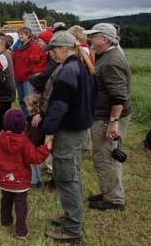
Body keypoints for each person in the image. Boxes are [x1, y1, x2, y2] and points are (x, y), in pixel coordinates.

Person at [41, 32, 96, 244]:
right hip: (78, 129)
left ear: (65, 48)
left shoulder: (67, 71)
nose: (52, 53)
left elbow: (59, 106)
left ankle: (73, 228)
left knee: (66, 177)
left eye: (54, 49)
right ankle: (73, 216)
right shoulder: (82, 66)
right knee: (74, 173)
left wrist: (49, 129)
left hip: (68, 130)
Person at [84, 23, 132, 211]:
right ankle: (109, 192)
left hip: (108, 118)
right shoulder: (107, 56)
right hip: (105, 115)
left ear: (104, 39)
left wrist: (113, 122)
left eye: (94, 36)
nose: (91, 40)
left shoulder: (111, 61)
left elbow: (119, 96)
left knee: (106, 156)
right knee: (104, 155)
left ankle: (114, 200)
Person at [0, 108, 52, 240]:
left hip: (4, 180)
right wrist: (46, 148)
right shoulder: (25, 143)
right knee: (20, 204)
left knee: (6, 199)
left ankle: (6, 221)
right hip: (21, 182)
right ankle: (21, 231)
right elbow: (36, 158)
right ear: (22, 125)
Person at [13, 27, 44, 118]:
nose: (20, 36)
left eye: (22, 34)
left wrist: (30, 72)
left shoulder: (33, 46)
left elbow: (34, 61)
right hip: (19, 76)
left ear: (28, 35)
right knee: (21, 100)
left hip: (27, 78)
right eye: (19, 34)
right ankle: (24, 120)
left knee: (29, 101)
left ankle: (30, 121)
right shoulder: (18, 47)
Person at [0, 36, 17, 131]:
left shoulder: (2, 56)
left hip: (5, 92)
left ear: (2, 46)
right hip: (5, 92)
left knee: (2, 117)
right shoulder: (0, 55)